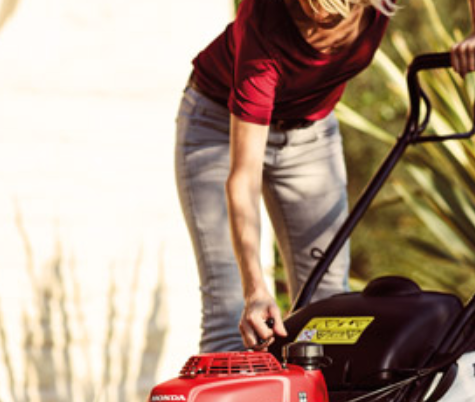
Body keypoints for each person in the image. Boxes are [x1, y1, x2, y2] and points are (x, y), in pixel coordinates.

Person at [175, 0, 475, 353]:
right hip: (217, 127)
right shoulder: (264, 28)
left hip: (310, 133)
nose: (318, 18)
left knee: (330, 312)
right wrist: (256, 289)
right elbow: (243, 180)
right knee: (230, 317)